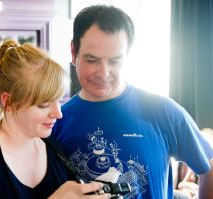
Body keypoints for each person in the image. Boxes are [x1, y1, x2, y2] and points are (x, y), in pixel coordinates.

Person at [51, 5, 213, 199]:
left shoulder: (164, 111)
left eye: (115, 61)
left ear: (129, 56)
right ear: (73, 51)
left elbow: (208, 167)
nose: (103, 73)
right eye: (92, 59)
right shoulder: (55, 121)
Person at [0, 39, 111, 199]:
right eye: (44, 104)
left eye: (58, 100)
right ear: (8, 102)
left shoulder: (56, 150)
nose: (58, 114)